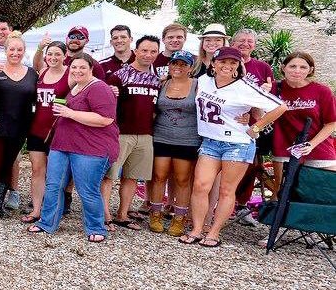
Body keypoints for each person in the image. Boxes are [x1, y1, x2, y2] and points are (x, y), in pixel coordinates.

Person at [182, 47, 287, 247]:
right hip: (210, 141)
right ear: (214, 63)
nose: (227, 66)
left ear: (239, 65)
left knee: (226, 190)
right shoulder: (204, 80)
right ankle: (197, 229)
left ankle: (214, 232)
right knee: (200, 185)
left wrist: (256, 126)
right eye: (223, 61)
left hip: (237, 144)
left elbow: (280, 106)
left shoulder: (244, 87)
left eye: (233, 63)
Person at [28, 54, 118, 243]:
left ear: (91, 69)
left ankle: (96, 227)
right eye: (74, 67)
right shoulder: (76, 87)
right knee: (53, 185)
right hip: (62, 145)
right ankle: (47, 222)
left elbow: (105, 119)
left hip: (91, 148)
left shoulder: (99, 88)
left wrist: (70, 113)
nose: (77, 71)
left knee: (87, 189)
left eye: (82, 67)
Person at [101, 36, 161, 231]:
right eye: (144, 50)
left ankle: (123, 214)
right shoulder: (119, 76)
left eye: (153, 51)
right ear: (135, 51)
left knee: (132, 177)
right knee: (109, 175)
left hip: (145, 134)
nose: (148, 55)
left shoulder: (156, 80)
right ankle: (105, 215)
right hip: (120, 133)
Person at [0, 32, 36, 218]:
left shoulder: (32, 74)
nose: (15, 53)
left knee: (7, 164)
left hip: (20, 128)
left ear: (24, 51)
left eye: (19, 49)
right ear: (5, 50)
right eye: (12, 49)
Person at [228, 28, 276, 226]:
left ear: (254, 45)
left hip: (251, 127)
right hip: (226, 123)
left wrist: (261, 100)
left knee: (250, 166)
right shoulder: (226, 63)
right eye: (241, 40)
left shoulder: (262, 67)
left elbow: (272, 100)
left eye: (250, 41)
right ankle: (222, 203)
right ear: (232, 43)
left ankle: (241, 205)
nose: (245, 44)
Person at [148, 50, 199, 236]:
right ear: (169, 65)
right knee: (158, 176)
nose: (178, 67)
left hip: (187, 138)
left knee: (182, 179)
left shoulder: (197, 85)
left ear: (190, 67)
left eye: (183, 64)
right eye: (175, 63)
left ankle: (179, 217)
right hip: (161, 136)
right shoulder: (162, 83)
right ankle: (155, 214)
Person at [21, 42, 69, 223]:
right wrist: (40, 48)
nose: (53, 58)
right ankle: (36, 210)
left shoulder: (70, 74)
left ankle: (52, 210)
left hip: (58, 130)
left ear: (65, 56)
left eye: (57, 54)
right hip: (37, 128)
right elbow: (36, 63)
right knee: (37, 169)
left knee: (55, 173)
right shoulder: (42, 72)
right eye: (50, 54)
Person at [271, 52, 336, 175]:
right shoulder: (273, 88)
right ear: (283, 68)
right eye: (292, 66)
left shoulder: (322, 91)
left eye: (303, 67)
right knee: (283, 187)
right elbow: (258, 113)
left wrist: (311, 145)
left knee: (327, 185)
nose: (297, 71)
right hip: (285, 149)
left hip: (318, 148)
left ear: (310, 70)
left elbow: (331, 123)